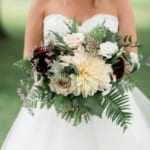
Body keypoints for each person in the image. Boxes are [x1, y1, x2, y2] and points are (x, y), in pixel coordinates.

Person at [1, 0, 150, 150]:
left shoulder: (118, 3)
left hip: (108, 100)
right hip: (54, 100)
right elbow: (29, 57)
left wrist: (102, 74)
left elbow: (132, 58)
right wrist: (58, 79)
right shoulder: (41, 3)